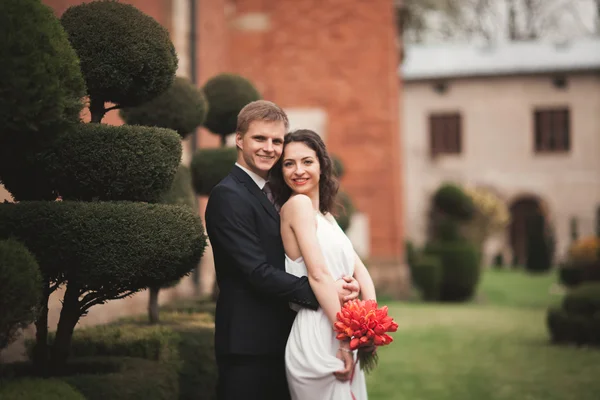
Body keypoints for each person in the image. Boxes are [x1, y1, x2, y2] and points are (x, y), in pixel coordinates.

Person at [205, 100, 360, 400]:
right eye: (259, 139)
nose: (269, 148)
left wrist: (346, 281)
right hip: (248, 344)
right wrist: (324, 291)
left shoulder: (278, 193)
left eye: (277, 141)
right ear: (238, 139)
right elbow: (256, 272)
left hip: (285, 337)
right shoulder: (228, 195)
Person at [269, 129, 377, 400]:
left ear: (321, 164)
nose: (298, 170)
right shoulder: (296, 206)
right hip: (319, 333)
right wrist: (343, 340)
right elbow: (318, 275)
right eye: (288, 163)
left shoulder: (326, 216)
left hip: (343, 327)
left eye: (307, 161)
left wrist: (370, 325)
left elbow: (359, 268)